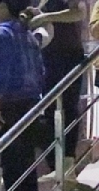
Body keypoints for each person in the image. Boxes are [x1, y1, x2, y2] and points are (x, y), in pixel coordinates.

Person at [0, 0, 46, 191]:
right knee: (27, 156)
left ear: (2, 6)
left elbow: (1, 71)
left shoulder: (2, 33)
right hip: (32, 100)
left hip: (10, 101)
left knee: (10, 158)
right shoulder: (28, 34)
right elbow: (41, 69)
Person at [26, 0, 86, 178]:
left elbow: (78, 13)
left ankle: (67, 163)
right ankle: (57, 166)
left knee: (68, 109)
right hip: (48, 56)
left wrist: (46, 16)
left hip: (69, 55)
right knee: (51, 111)